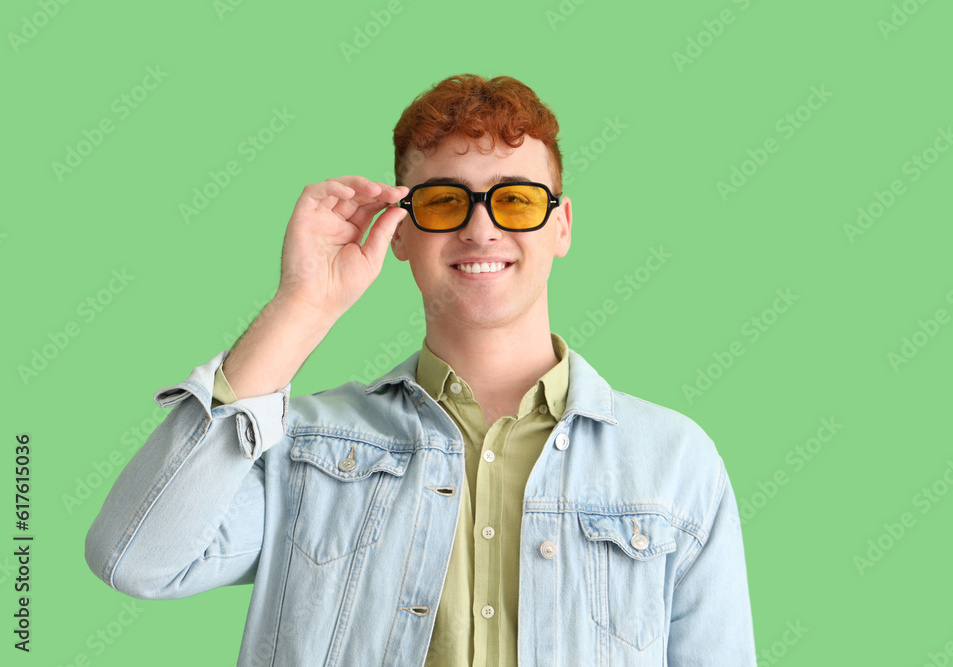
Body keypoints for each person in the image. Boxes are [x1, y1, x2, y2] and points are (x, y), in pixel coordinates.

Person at [85, 73, 756, 666]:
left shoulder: (675, 462)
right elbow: (136, 559)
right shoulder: (303, 444)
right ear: (401, 231)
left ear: (562, 225)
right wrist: (302, 306)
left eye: (515, 200)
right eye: (444, 201)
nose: (481, 229)